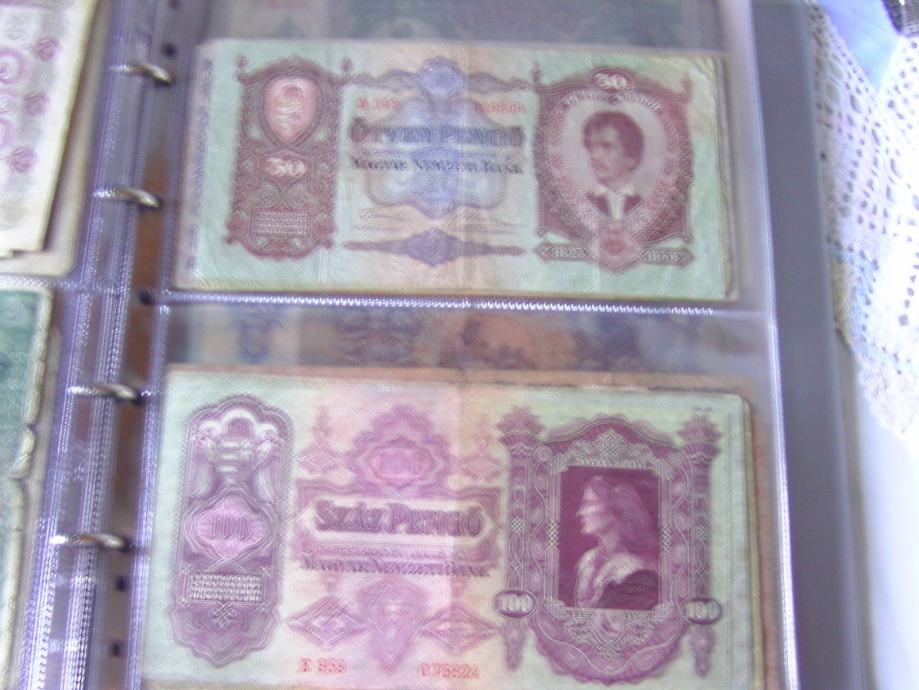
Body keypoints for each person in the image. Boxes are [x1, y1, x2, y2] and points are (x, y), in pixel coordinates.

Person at [573, 475, 660, 610]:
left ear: (616, 508)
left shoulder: (637, 570)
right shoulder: (587, 561)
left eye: (589, 504)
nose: (580, 513)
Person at [582, 111, 644, 220]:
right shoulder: (582, 205)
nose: (594, 155)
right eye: (592, 146)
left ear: (631, 157)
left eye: (607, 146)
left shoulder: (644, 207)